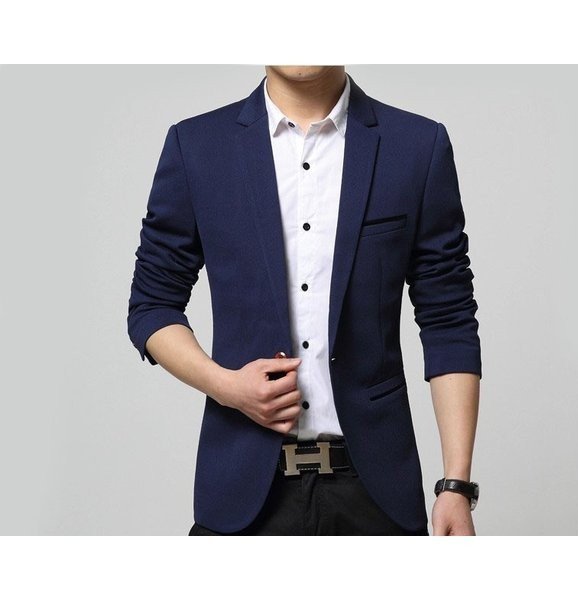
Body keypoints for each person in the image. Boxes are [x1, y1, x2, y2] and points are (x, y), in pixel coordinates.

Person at [127, 65, 482, 536]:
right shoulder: (197, 147)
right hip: (242, 493)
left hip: (377, 495)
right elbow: (152, 303)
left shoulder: (416, 146)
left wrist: (455, 484)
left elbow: (449, 319)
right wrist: (226, 386)